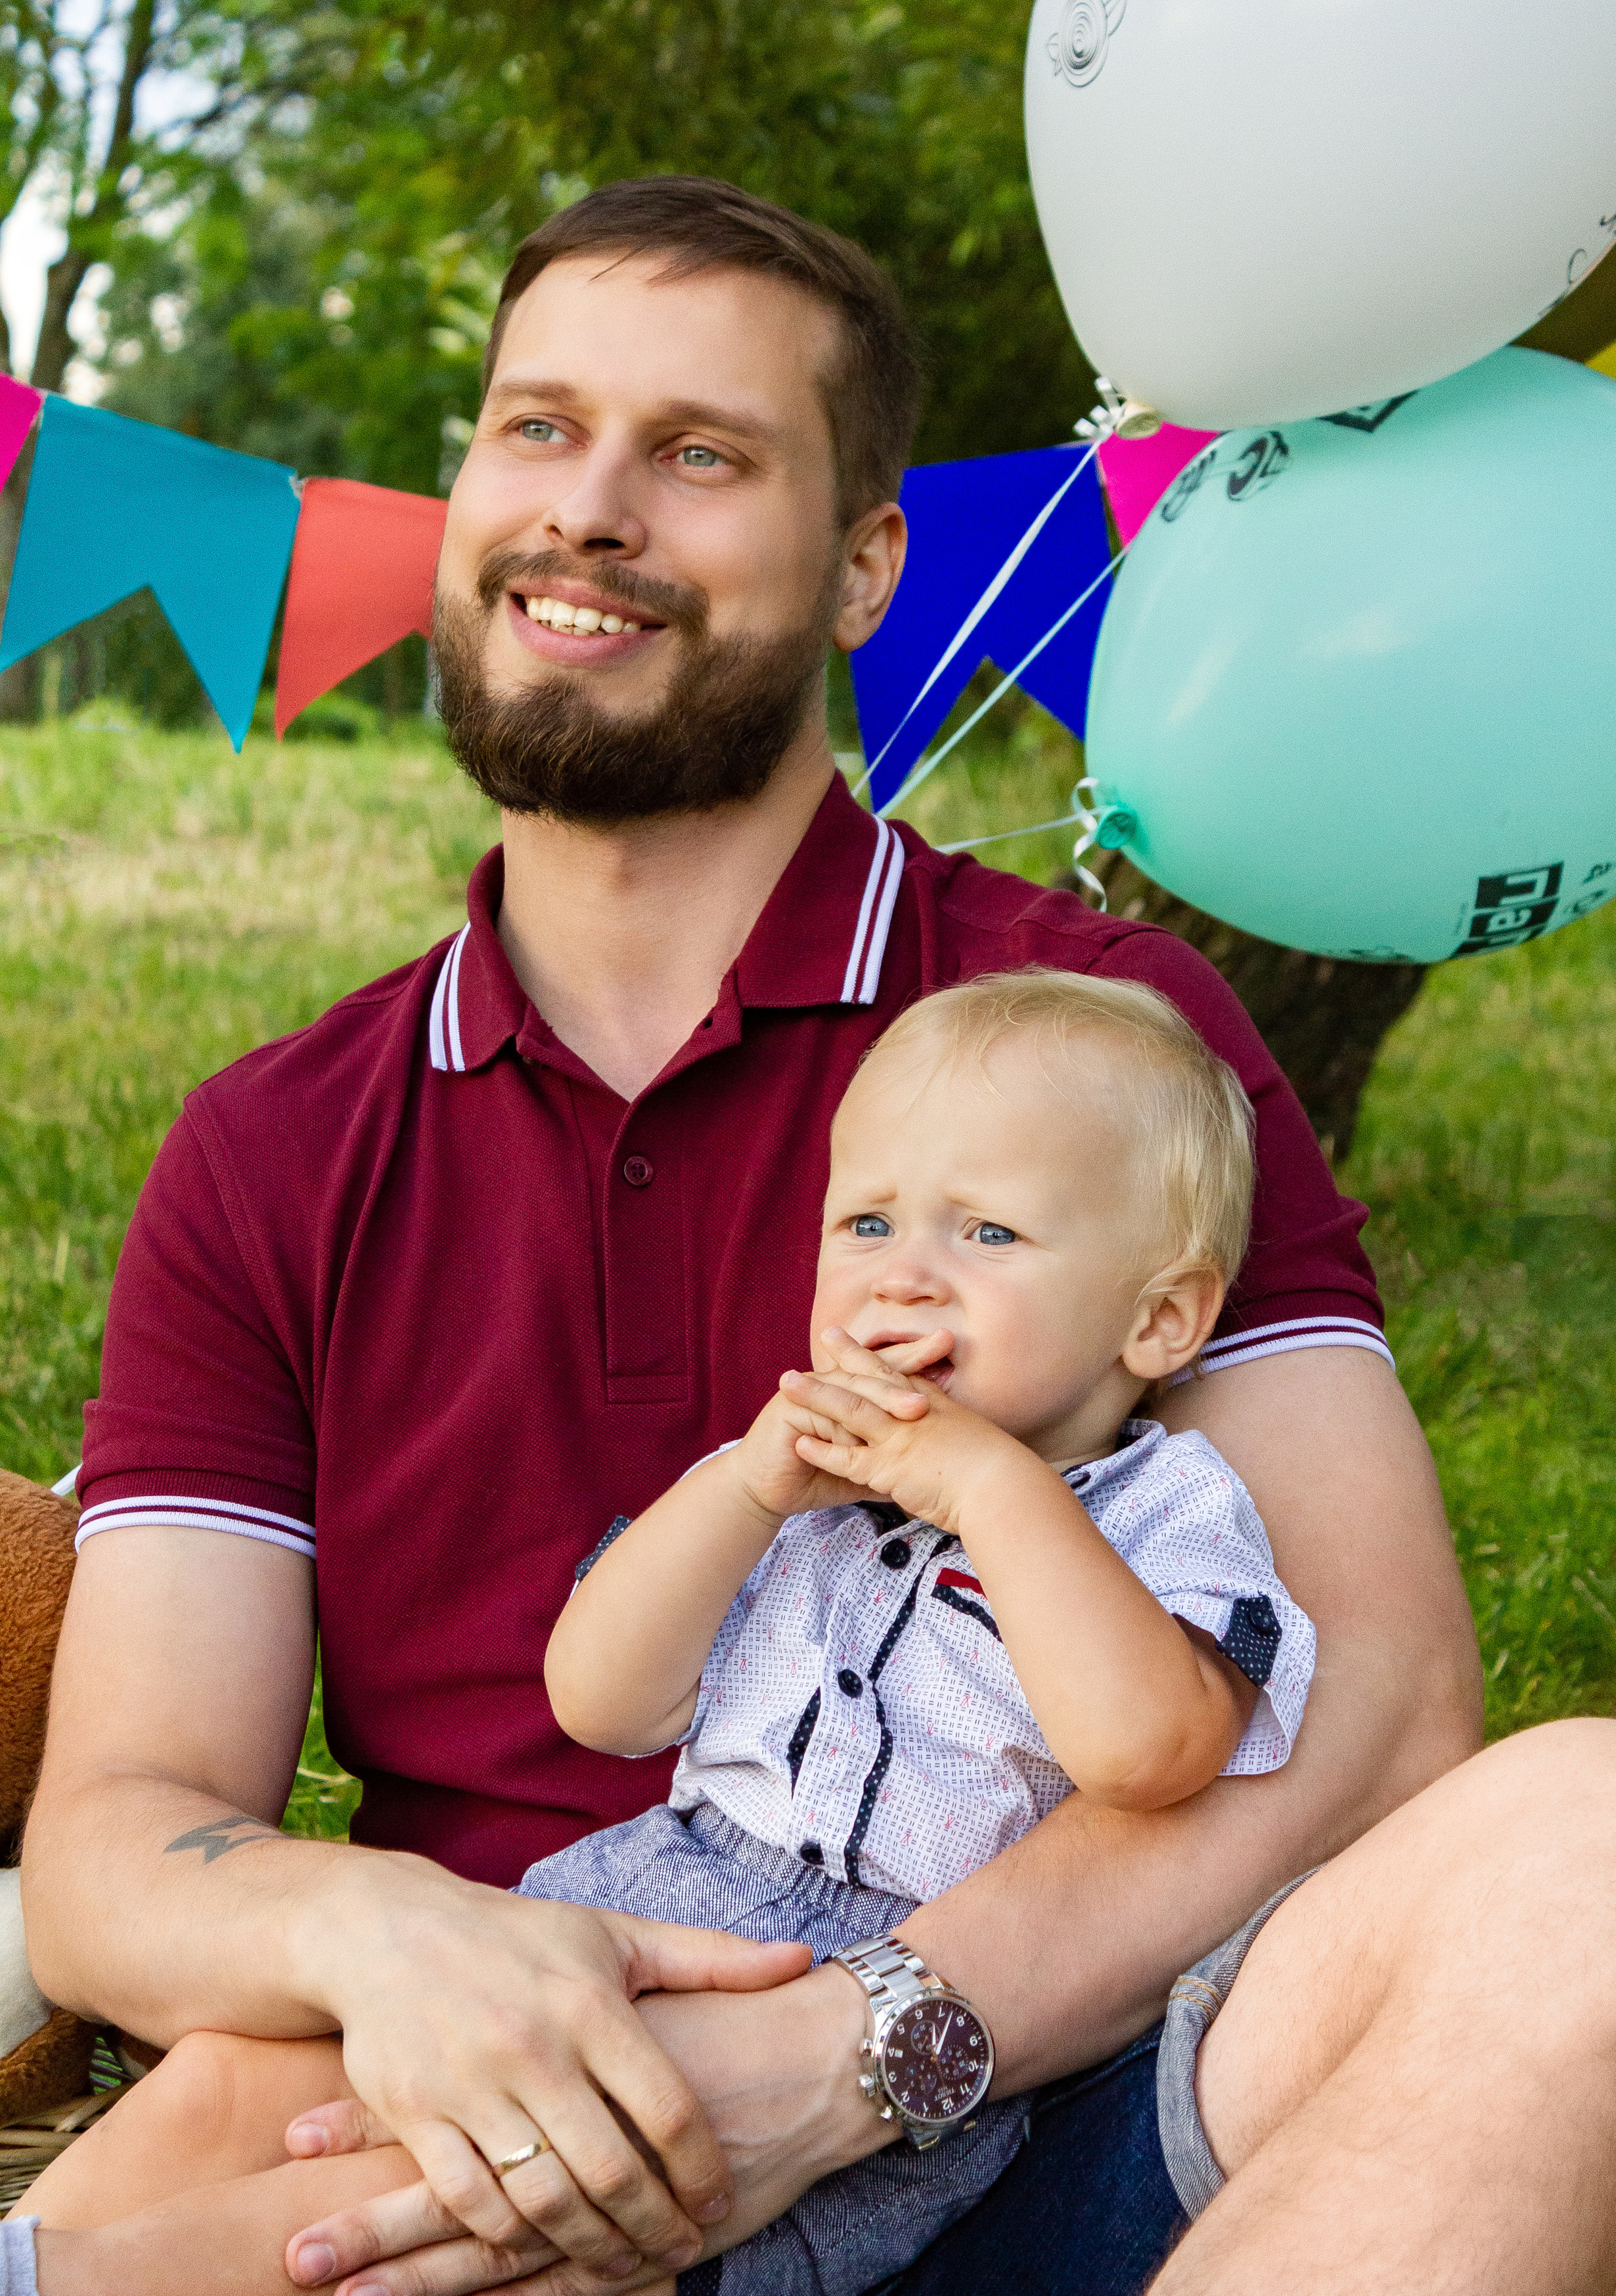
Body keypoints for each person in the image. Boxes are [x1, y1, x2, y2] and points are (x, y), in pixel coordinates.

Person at [15, 175, 1616, 2296]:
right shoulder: (277, 1150)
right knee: (188, 2166)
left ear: (870, 564)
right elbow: (114, 1839)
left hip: (1075, 2109)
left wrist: (858, 2053)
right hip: (497, 2134)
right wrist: (386, 1931)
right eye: (537, 430)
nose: (593, 509)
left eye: (700, 455)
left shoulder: (1100, 1052)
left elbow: (1394, 1698)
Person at [7, 968, 1318, 2296]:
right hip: (618, 1916)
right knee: (238, 2084)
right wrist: (739, 1491)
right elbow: (602, 1698)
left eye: (986, 1234)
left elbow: (1153, 1752)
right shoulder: (802, 1503)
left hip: (849, 2018)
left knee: (424, 2195)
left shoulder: (1159, 1514)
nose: (901, 1279)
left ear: (1159, 1317)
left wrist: (991, 1492)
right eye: (863, 1223)